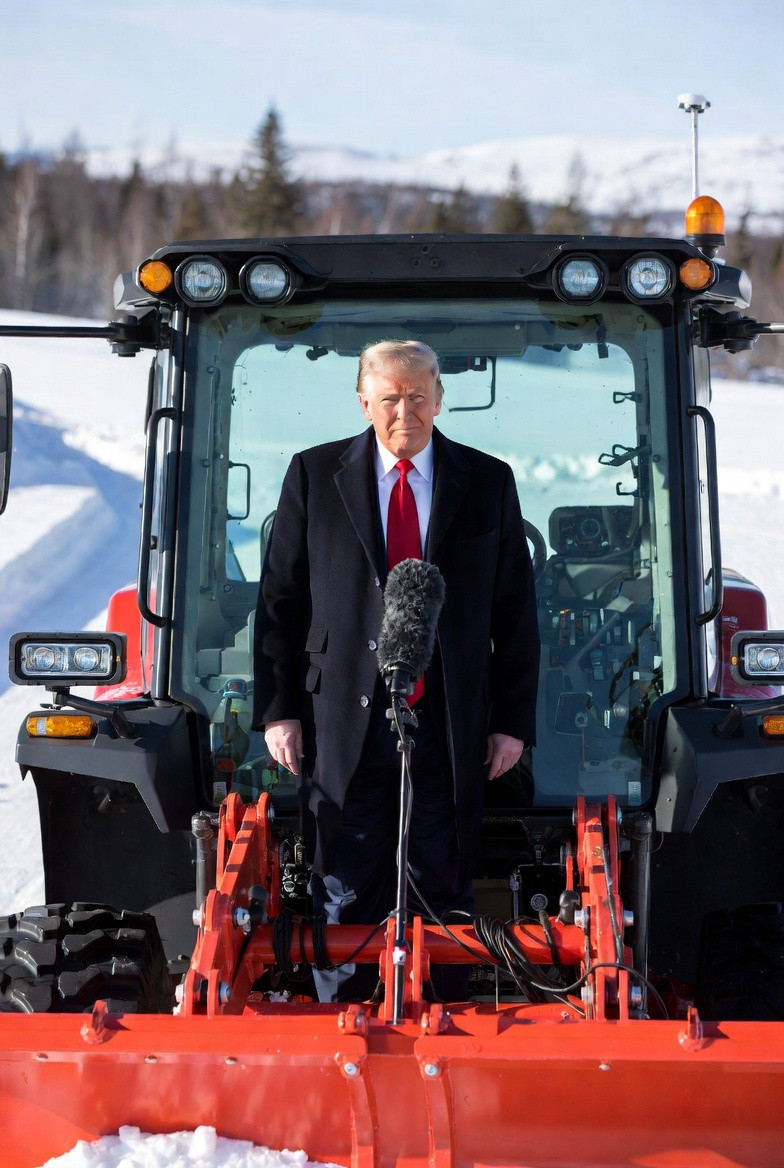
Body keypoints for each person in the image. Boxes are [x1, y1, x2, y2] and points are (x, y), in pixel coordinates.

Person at [253, 339, 540, 1000]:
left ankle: (442, 1024)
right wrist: (280, 711)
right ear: (364, 402)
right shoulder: (313, 475)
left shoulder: (487, 481)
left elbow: (515, 613)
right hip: (339, 724)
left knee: (440, 880)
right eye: (389, 398)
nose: (403, 412)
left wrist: (510, 723)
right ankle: (345, 1020)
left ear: (439, 400)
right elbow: (279, 603)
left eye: (416, 397)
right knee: (344, 882)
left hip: (447, 723)